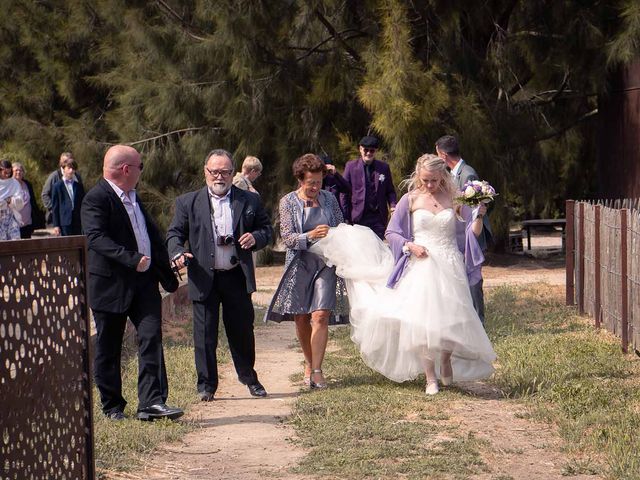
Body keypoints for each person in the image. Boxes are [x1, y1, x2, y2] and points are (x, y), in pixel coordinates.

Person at [310, 154, 496, 395]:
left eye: (435, 180)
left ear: (443, 177)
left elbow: (472, 232)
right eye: (426, 180)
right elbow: (392, 233)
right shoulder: (411, 199)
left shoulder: (454, 198)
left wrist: (479, 213)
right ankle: (430, 378)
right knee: (421, 321)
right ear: (418, 176)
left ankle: (446, 357)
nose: (430, 185)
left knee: (453, 316)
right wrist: (410, 246)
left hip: (450, 263)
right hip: (422, 264)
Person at [81, 145, 183, 421]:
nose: (141, 172)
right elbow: (95, 238)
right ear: (126, 169)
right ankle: (113, 406)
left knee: (151, 337)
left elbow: (151, 238)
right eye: (140, 167)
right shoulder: (97, 198)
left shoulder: (135, 198)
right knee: (109, 346)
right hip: (110, 286)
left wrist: (168, 268)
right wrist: (132, 258)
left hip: (144, 283)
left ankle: (151, 402)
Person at [166, 149, 273, 401]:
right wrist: (178, 252)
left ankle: (249, 378)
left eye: (225, 171)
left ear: (232, 172)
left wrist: (255, 237)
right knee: (204, 334)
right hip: (204, 276)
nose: (219, 176)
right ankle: (206, 385)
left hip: (236, 275)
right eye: (214, 171)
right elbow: (174, 235)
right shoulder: (187, 202)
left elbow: (266, 229)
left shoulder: (249, 200)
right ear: (205, 172)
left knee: (242, 331)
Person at [265, 153, 348, 389]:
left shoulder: (330, 200)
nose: (315, 187)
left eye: (319, 182)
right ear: (300, 180)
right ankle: (309, 363)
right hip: (299, 264)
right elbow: (288, 238)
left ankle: (318, 371)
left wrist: (332, 233)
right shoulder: (288, 202)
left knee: (320, 315)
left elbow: (341, 226)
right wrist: (309, 235)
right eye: (310, 182)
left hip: (326, 263)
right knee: (301, 317)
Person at [435, 134, 492, 323]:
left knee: (474, 280)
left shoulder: (467, 174)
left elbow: (475, 210)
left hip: (471, 235)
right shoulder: (453, 174)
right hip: (459, 236)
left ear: (443, 155)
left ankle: (479, 321)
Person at [340, 135, 397, 239]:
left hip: (378, 217)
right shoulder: (351, 166)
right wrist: (345, 216)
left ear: (375, 151)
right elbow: (344, 192)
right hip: (358, 216)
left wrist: (393, 206)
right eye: (366, 150)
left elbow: (390, 191)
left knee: (377, 248)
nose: (368, 153)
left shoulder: (384, 167)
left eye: (372, 151)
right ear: (360, 149)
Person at [42, 151, 84, 227]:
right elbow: (45, 195)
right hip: (58, 219)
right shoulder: (54, 176)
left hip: (75, 220)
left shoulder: (77, 176)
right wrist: (57, 209)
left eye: (70, 161)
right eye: (65, 161)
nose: (68, 163)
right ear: (61, 163)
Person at [51, 157, 85, 236]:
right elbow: (55, 207)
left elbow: (82, 203)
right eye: (69, 168)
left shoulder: (78, 186)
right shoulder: (57, 186)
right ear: (63, 169)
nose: (71, 171)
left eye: (73, 169)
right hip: (64, 221)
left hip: (77, 220)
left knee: (78, 242)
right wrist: (56, 225)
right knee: (67, 243)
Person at [12, 162, 44, 239]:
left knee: (26, 246)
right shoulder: (10, 185)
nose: (18, 172)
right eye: (16, 170)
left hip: (27, 223)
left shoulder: (27, 184)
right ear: (11, 172)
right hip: (14, 224)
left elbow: (32, 202)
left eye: (20, 170)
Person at [320, 153, 350, 218]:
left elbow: (348, 189)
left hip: (334, 217)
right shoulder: (313, 181)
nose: (324, 173)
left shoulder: (332, 179)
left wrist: (336, 174)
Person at [0, 159, 24, 240]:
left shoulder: (15, 183)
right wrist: (4, 201)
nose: (7, 175)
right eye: (5, 173)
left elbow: (20, 202)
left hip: (12, 217)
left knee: (15, 244)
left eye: (9, 173)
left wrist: (10, 200)